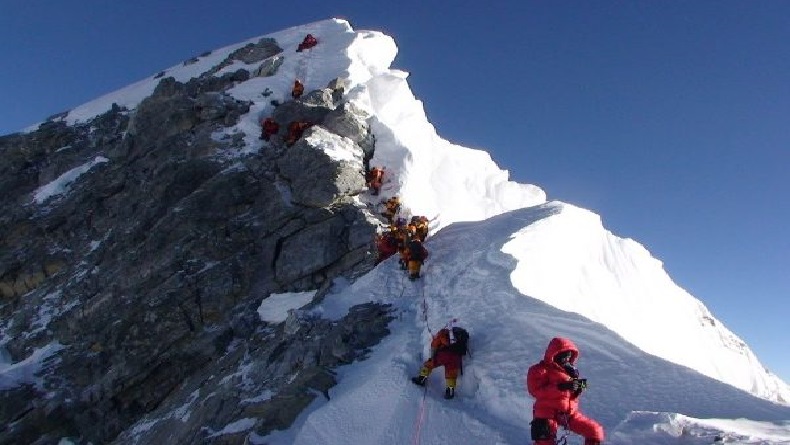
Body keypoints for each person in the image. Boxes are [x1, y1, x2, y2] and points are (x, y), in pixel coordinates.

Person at [526, 337, 604, 445]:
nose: (566, 359)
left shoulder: (571, 371)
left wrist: (578, 388)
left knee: (594, 431)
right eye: (564, 355)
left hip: (568, 413)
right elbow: (535, 390)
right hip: (546, 412)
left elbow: (571, 395)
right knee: (544, 441)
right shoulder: (539, 370)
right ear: (554, 354)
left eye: (569, 355)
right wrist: (560, 387)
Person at [411, 320, 467, 399]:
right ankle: (450, 391)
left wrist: (432, 356)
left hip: (444, 354)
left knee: (429, 364)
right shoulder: (462, 338)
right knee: (451, 373)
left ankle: (421, 379)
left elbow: (434, 344)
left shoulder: (443, 332)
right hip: (456, 357)